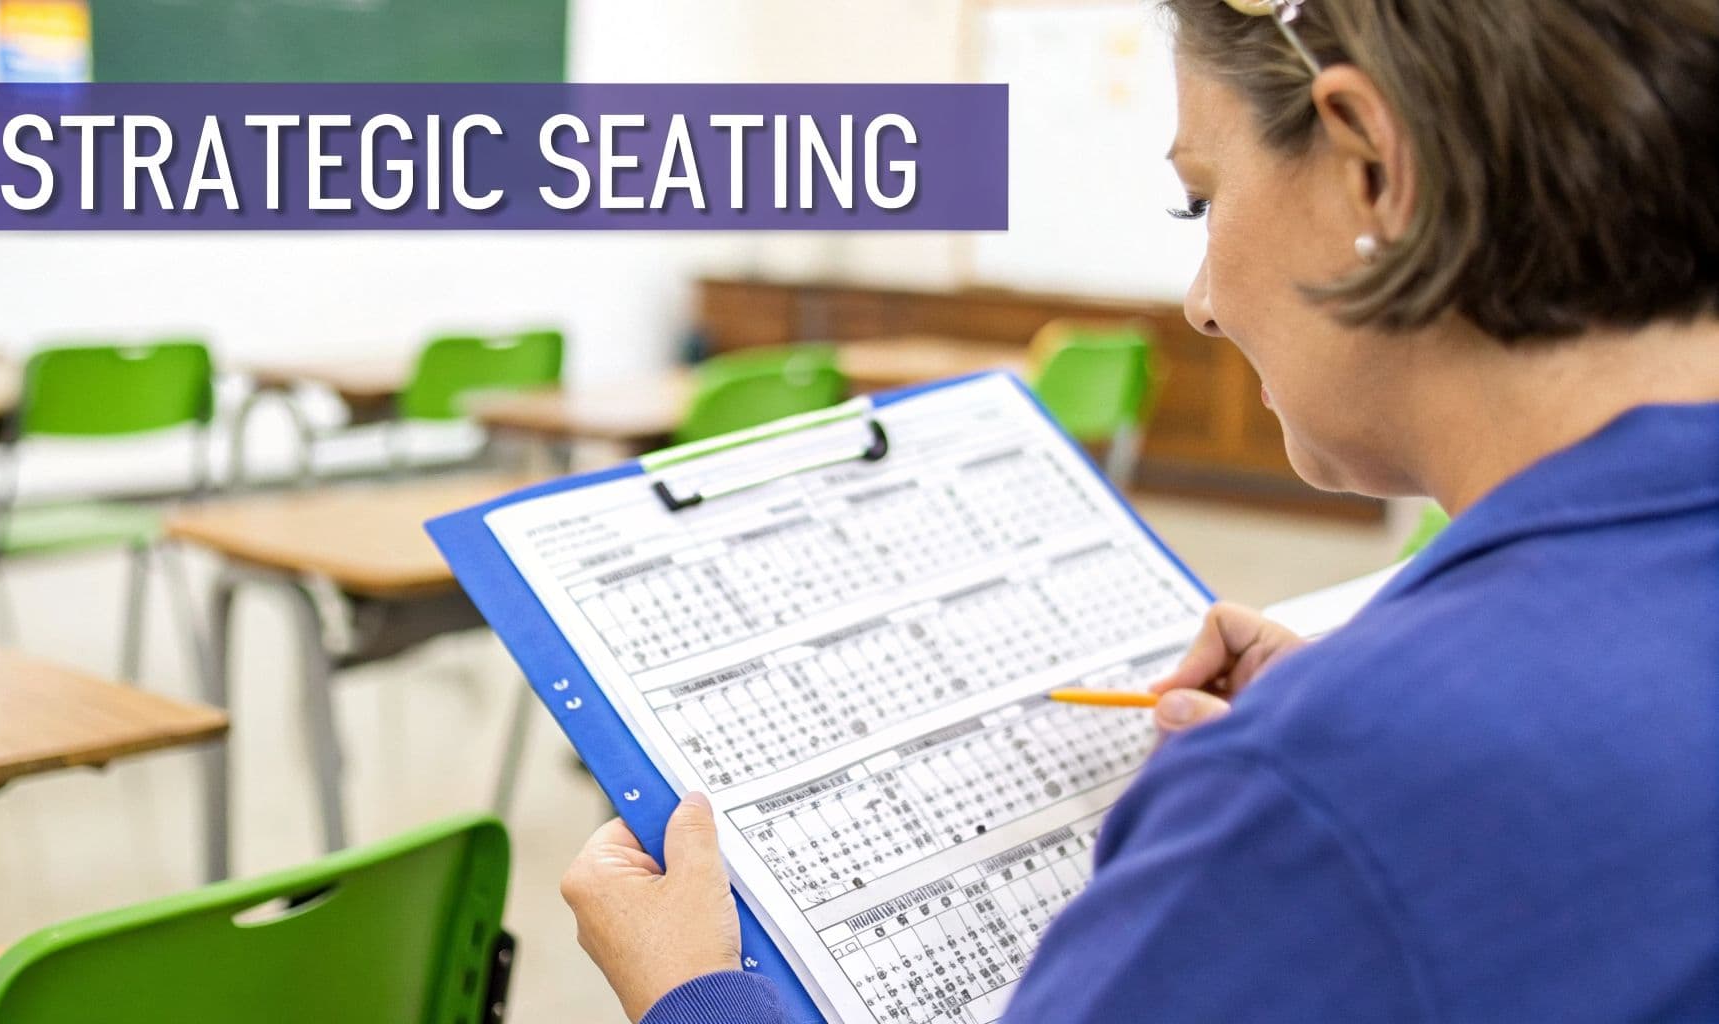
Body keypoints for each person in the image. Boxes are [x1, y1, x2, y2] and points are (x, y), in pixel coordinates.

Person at [561, 0, 1719, 1019]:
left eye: (1197, 200)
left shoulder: (1330, 780)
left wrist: (692, 994)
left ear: (1371, 165)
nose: (1201, 303)